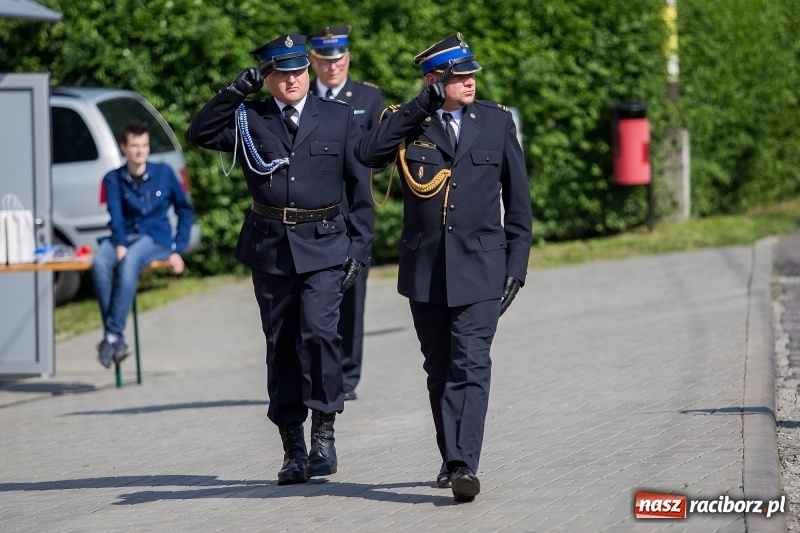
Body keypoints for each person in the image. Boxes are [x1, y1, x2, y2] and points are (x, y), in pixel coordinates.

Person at [186, 33, 374, 485]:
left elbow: (358, 191)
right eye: (280, 72)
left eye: (297, 70)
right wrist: (236, 89)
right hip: (270, 247)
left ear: (307, 72)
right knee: (281, 343)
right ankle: (293, 446)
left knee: (320, 333)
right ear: (267, 76)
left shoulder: (339, 118)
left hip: (326, 244)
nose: (291, 79)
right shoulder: (250, 117)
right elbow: (200, 132)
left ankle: (324, 431)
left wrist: (359, 250)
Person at [355, 33, 532, 503]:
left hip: (482, 266)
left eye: (472, 73)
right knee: (439, 368)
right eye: (460, 76)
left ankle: (463, 464)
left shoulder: (495, 122)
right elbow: (368, 155)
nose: (471, 81)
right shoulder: (410, 122)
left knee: (471, 363)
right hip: (427, 269)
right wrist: (419, 106)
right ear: (436, 81)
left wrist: (517, 264)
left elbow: (518, 203)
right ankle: (451, 453)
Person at [308, 25, 387, 402]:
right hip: (313, 211)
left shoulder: (368, 98)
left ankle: (349, 376)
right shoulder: (301, 96)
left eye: (338, 59)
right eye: (325, 61)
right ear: (313, 62)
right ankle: (317, 373)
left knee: (352, 296)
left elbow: (381, 153)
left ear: (348, 59)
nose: (332, 67)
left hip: (354, 209)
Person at [91, 120, 195, 369]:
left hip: (155, 238)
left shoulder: (165, 173)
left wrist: (177, 249)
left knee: (129, 262)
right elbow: (115, 216)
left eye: (145, 145)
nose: (140, 151)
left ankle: (112, 336)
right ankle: (116, 339)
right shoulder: (113, 178)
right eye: (135, 146)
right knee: (99, 263)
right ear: (123, 148)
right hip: (124, 236)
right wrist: (118, 243)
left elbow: (185, 212)